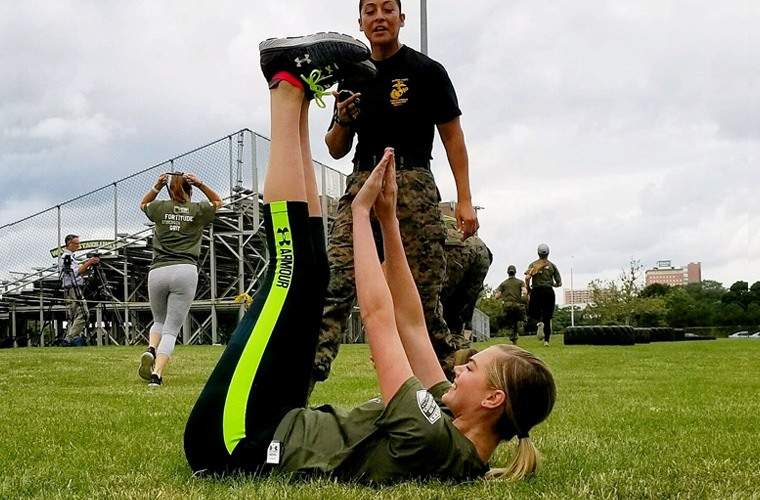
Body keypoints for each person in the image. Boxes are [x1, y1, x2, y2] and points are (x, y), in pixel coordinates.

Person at [183, 34, 555, 483]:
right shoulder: (449, 428)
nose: (460, 366)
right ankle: (298, 92)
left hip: (232, 440)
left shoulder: (429, 437)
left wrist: (361, 212)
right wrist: (389, 220)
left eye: (471, 367)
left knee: (293, 265)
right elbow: (412, 322)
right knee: (315, 272)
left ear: (492, 400)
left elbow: (380, 318)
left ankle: (283, 86)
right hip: (277, 417)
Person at [312, 0, 480, 385]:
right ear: (360, 22)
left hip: (413, 184)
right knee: (337, 278)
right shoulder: (352, 75)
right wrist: (341, 119)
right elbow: (335, 147)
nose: (379, 18)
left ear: (401, 19)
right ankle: (311, 368)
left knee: (419, 297)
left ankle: (448, 391)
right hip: (362, 182)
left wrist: (465, 198)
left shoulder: (427, 71)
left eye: (388, 9)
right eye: (370, 11)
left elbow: (453, 137)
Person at [138, 171, 222, 386]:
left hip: (158, 270)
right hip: (185, 269)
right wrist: (201, 182)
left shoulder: (160, 208)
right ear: (190, 189)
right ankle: (156, 375)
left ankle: (151, 349)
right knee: (172, 329)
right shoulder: (197, 210)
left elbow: (143, 204)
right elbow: (217, 202)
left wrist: (156, 186)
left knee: (159, 320)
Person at [440, 215, 492, 346]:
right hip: (480, 249)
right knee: (460, 307)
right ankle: (460, 348)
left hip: (451, 244)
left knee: (438, 303)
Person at [58, 234, 99, 345]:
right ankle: (70, 338)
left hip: (74, 287)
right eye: (76, 244)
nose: (78, 246)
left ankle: (68, 339)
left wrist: (87, 268)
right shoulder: (66, 257)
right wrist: (89, 262)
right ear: (69, 243)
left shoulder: (71, 257)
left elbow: (77, 272)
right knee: (83, 314)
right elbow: (75, 272)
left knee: (74, 315)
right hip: (72, 289)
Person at [524, 244, 562, 346]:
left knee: (533, 312)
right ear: (548, 253)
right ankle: (546, 341)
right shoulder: (552, 266)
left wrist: (528, 288)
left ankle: (539, 322)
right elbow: (559, 283)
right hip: (548, 291)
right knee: (548, 317)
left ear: (538, 253)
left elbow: (527, 277)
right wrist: (552, 284)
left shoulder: (533, 265)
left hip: (536, 291)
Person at [495, 265, 527, 344]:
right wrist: (523, 297)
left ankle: (513, 338)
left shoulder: (503, 283)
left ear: (507, 273)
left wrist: (504, 295)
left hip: (507, 306)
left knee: (511, 322)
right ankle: (523, 320)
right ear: (515, 272)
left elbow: (497, 296)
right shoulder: (520, 282)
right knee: (519, 316)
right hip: (517, 305)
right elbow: (525, 292)